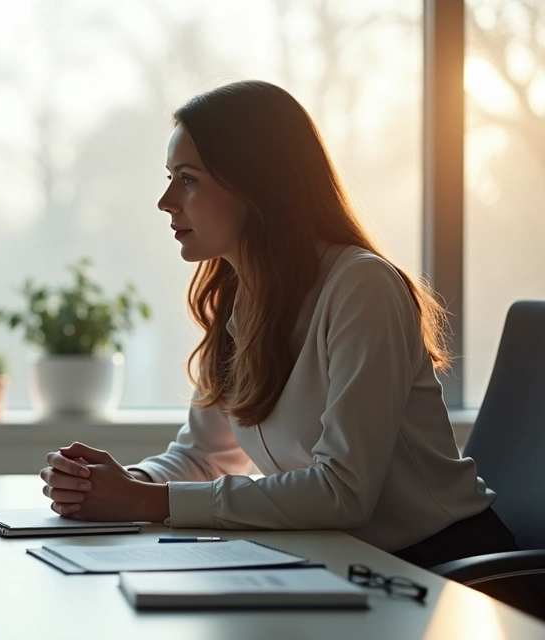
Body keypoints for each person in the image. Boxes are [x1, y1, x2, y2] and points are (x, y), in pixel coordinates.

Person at [39, 80, 518, 569]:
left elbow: (342, 491)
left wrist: (148, 503)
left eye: (187, 179)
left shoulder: (361, 287)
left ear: (256, 186)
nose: (165, 201)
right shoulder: (236, 298)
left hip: (445, 570)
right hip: (346, 562)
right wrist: (125, 483)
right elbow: (207, 455)